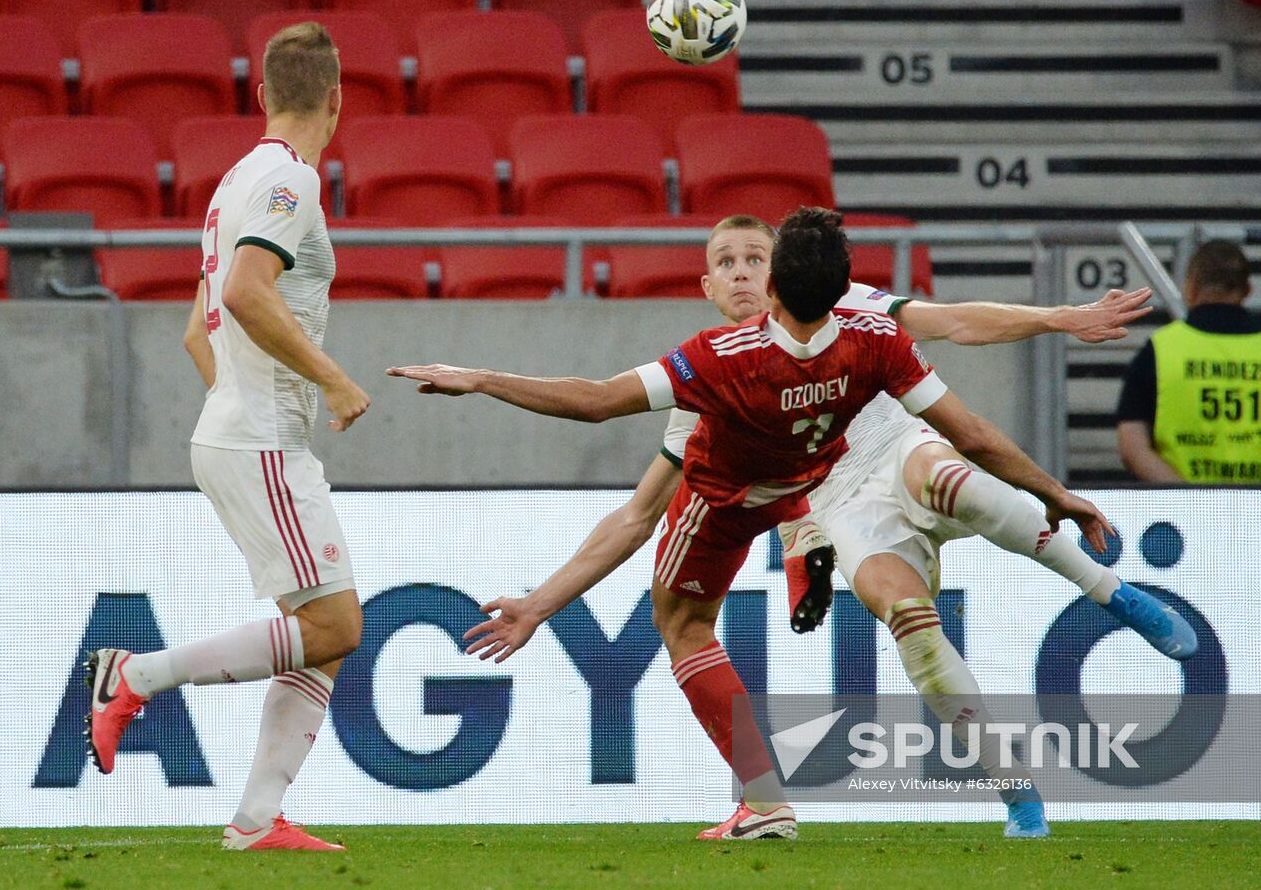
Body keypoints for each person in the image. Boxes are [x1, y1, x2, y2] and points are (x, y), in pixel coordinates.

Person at [389, 208, 1196, 841]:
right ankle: (1011, 788)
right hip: (823, 488)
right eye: (725, 263)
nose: (742, 273)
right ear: (708, 284)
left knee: (944, 479)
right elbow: (635, 512)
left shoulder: (730, 357)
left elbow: (957, 326)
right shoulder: (857, 337)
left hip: (827, 470)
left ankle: (771, 770)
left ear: (775, 278)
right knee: (907, 598)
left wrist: (483, 378)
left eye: (753, 259)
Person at [85, 22, 370, 852]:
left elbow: (193, 331)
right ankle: (135, 676)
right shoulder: (291, 182)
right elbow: (247, 293)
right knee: (337, 628)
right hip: (261, 440)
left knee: (319, 636)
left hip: (238, 432)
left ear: (260, 96)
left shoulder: (236, 182)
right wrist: (328, 382)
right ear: (337, 98)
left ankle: (255, 821)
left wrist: (243, 410)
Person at [1116, 240, 1261, 483]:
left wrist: (1188, 500)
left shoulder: (1157, 351)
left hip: (1184, 515)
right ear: (1247, 290)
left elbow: (1132, 447)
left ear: (1190, 287)